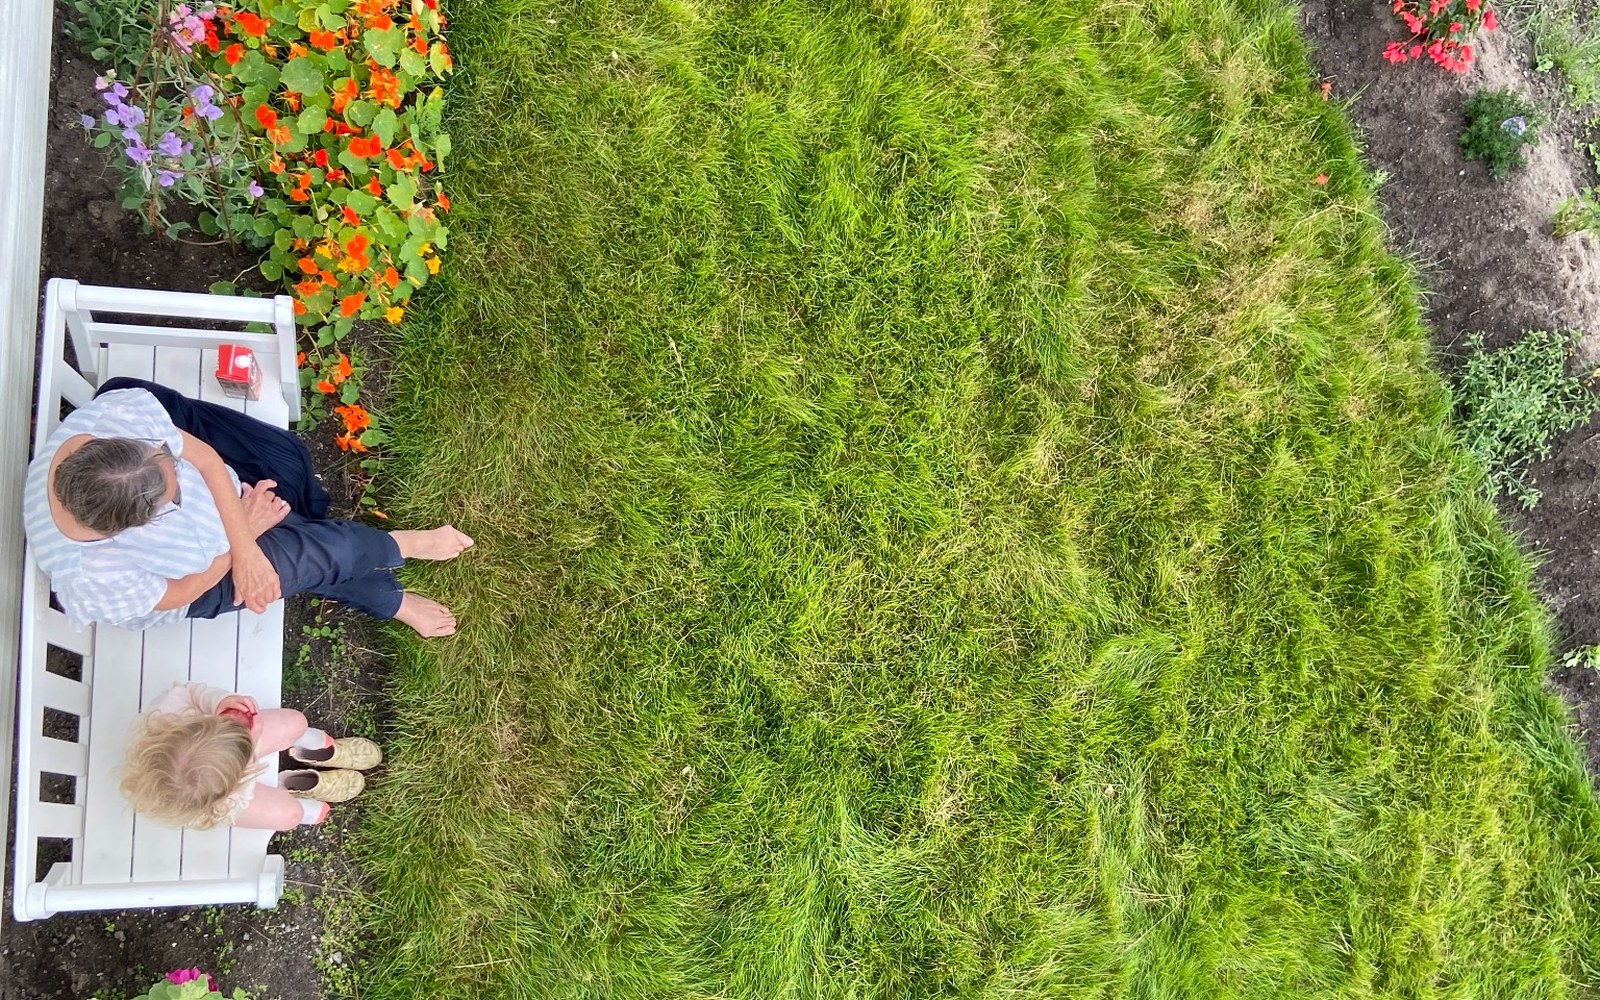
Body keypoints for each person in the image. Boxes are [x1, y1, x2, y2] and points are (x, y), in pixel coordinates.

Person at [21, 377, 471, 636]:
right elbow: (180, 593)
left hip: (234, 511)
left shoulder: (115, 425)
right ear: (132, 528)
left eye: (163, 455)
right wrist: (244, 542)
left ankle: (384, 593)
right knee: (308, 556)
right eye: (172, 497)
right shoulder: (93, 576)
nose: (177, 469)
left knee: (288, 502)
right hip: (198, 578)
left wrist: (245, 538)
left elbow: (204, 460)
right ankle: (402, 549)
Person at [121, 681, 381, 831]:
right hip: (231, 793)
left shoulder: (169, 711)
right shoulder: (209, 804)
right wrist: (251, 746)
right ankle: (293, 788)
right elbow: (239, 796)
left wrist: (219, 702)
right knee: (288, 816)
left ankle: (306, 741)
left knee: (295, 722)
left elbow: (192, 691)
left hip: (229, 762)